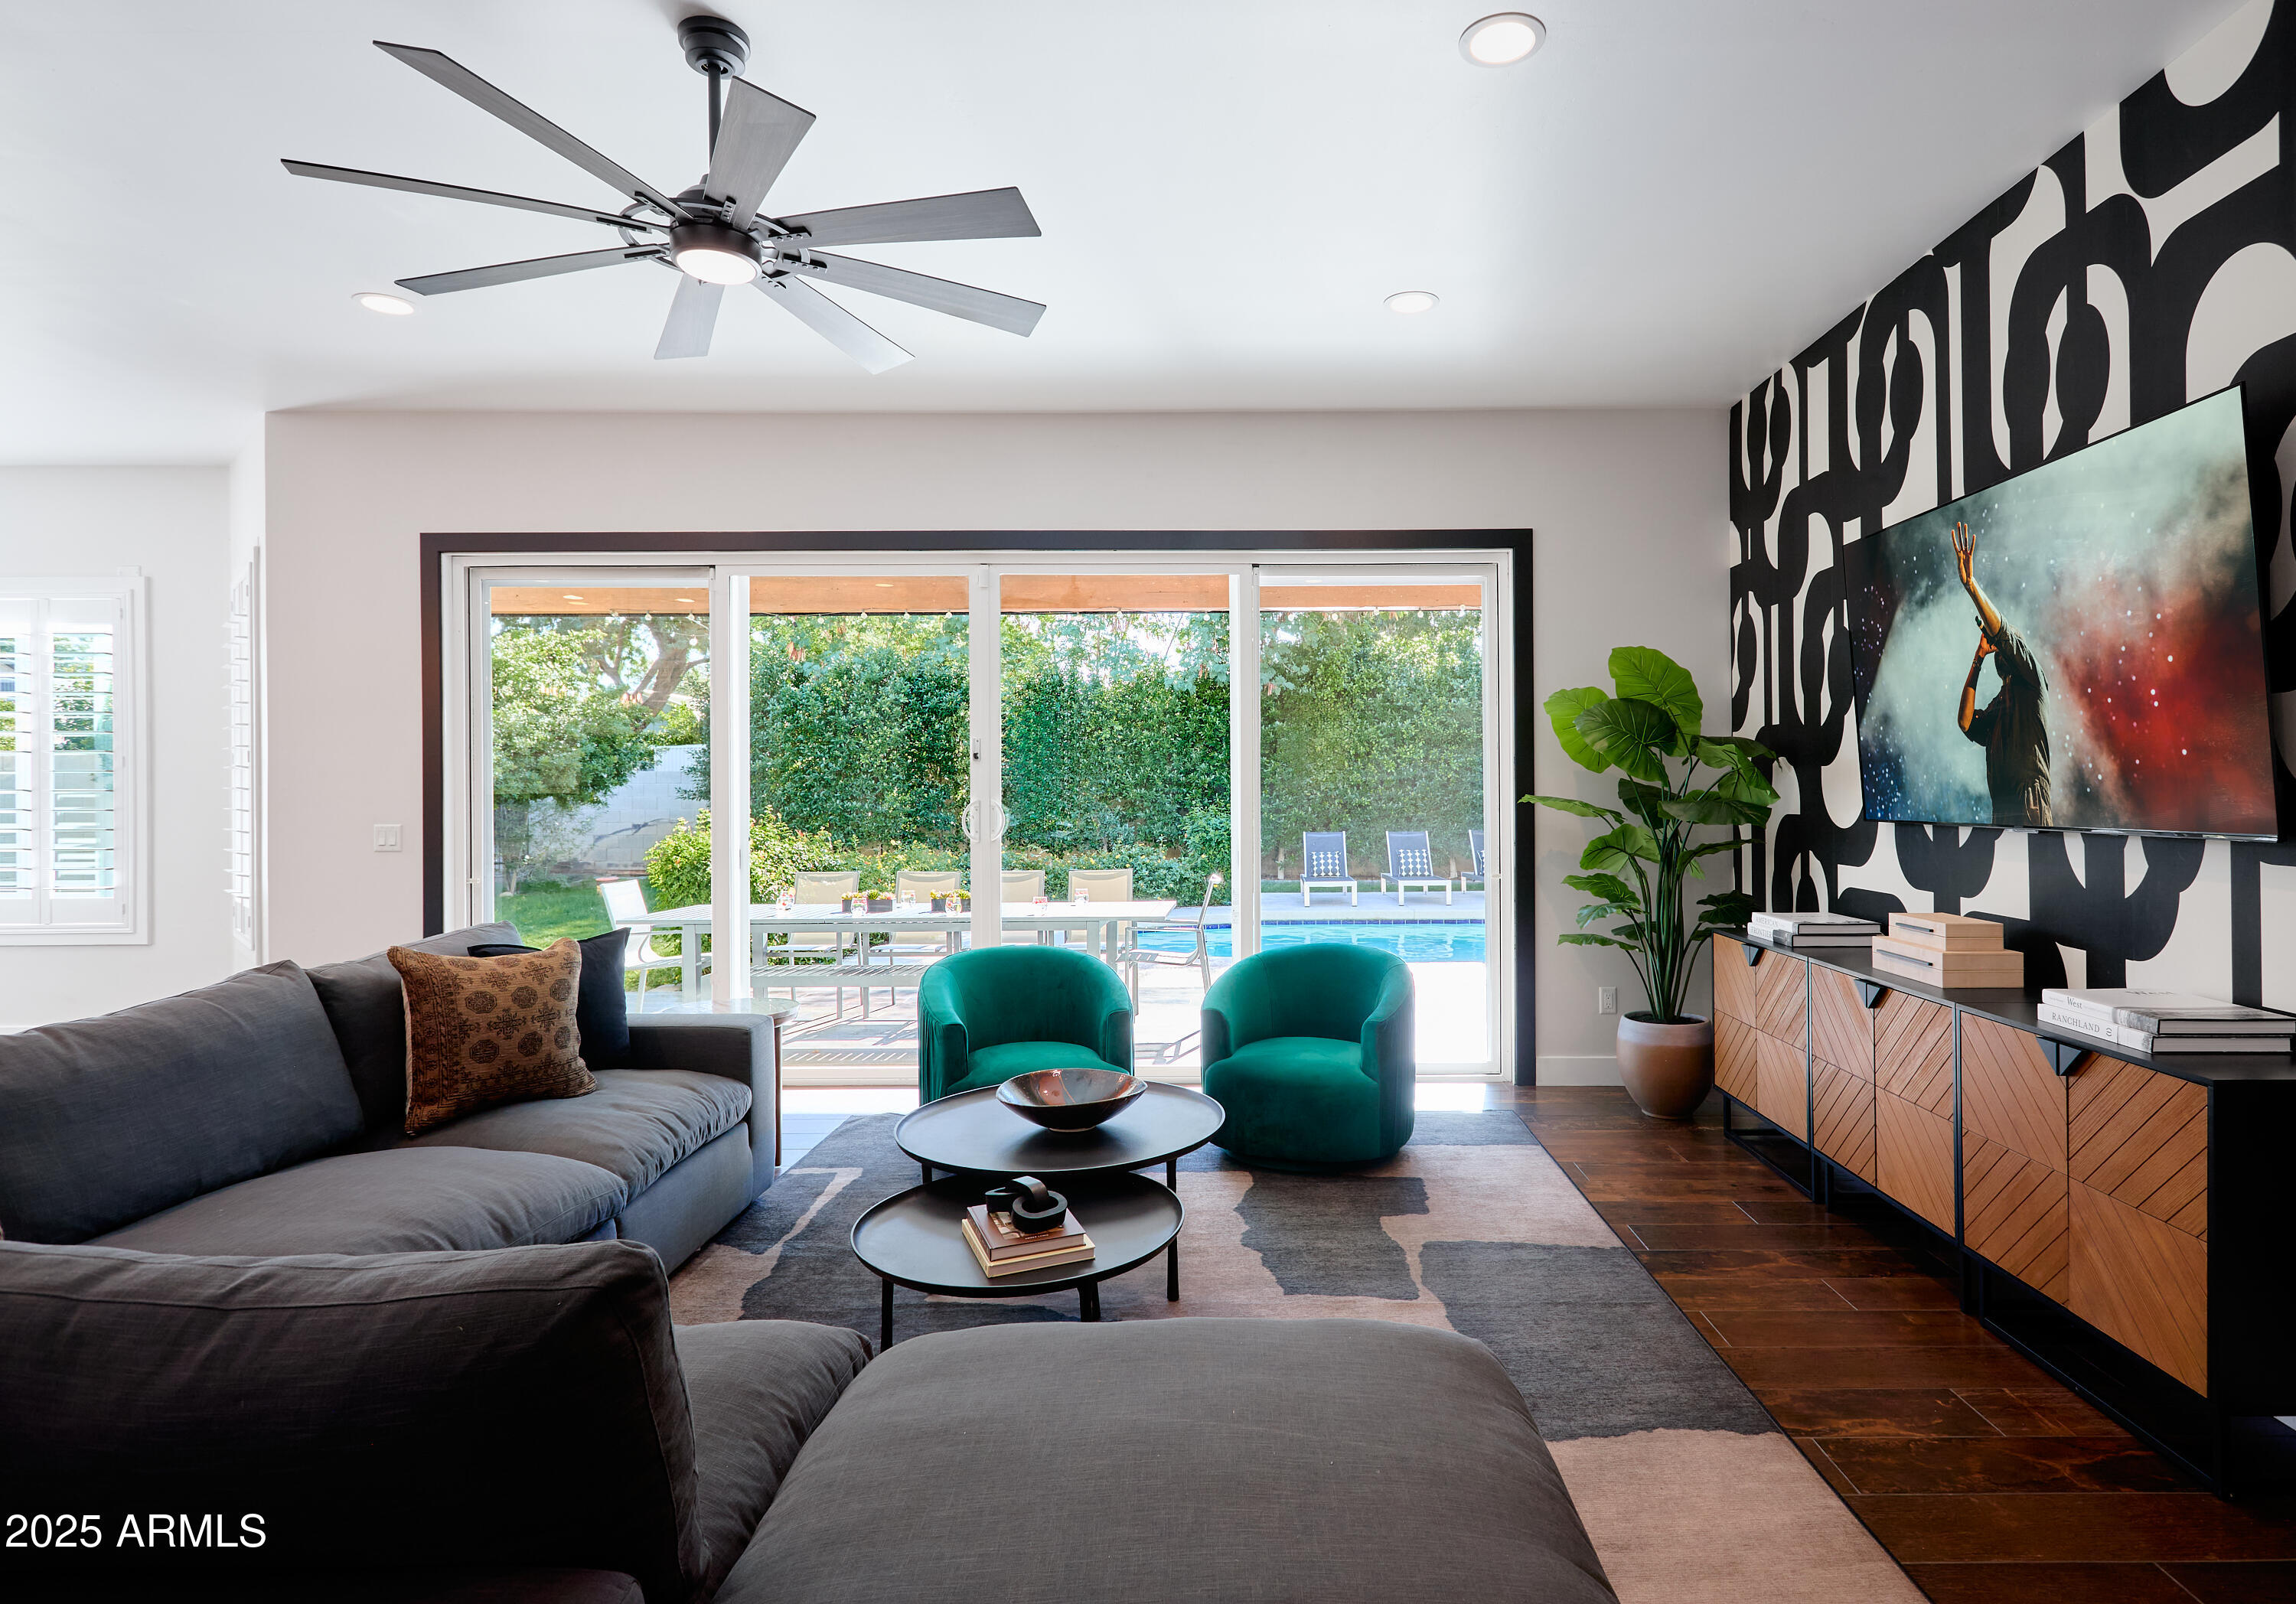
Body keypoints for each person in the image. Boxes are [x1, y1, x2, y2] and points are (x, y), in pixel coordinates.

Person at [1951, 520, 2052, 826]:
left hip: (2030, 799)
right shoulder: (1999, 705)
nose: (1999, 645)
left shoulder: (2032, 678)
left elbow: (2005, 634)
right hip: (2002, 809)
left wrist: (1972, 587)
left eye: (2003, 644)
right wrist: (1978, 657)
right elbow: (1965, 722)